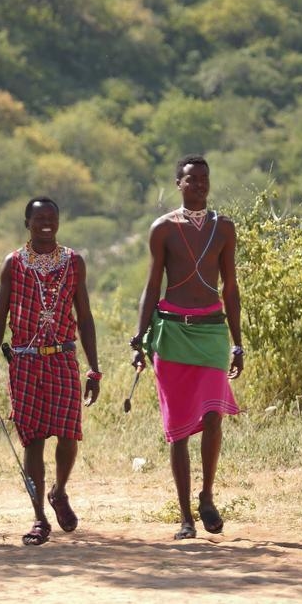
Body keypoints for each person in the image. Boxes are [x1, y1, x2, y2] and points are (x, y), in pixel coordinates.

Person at [131, 156, 244, 540]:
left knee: (214, 417)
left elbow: (230, 287)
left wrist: (238, 343)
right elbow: (152, 287)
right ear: (178, 183)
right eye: (191, 179)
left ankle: (207, 497)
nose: (199, 185)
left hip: (213, 332)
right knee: (178, 430)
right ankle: (185, 518)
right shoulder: (162, 229)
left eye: (205, 179)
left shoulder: (223, 228)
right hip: (173, 334)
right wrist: (139, 336)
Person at [0, 196, 101, 546]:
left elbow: (86, 318)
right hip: (25, 361)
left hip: (62, 358)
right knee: (32, 442)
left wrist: (95, 368)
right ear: (27, 223)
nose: (46, 223)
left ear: (59, 222)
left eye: (52, 217)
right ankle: (39, 519)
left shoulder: (74, 262)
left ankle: (59, 491)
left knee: (68, 435)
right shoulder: (13, 264)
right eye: (38, 218)